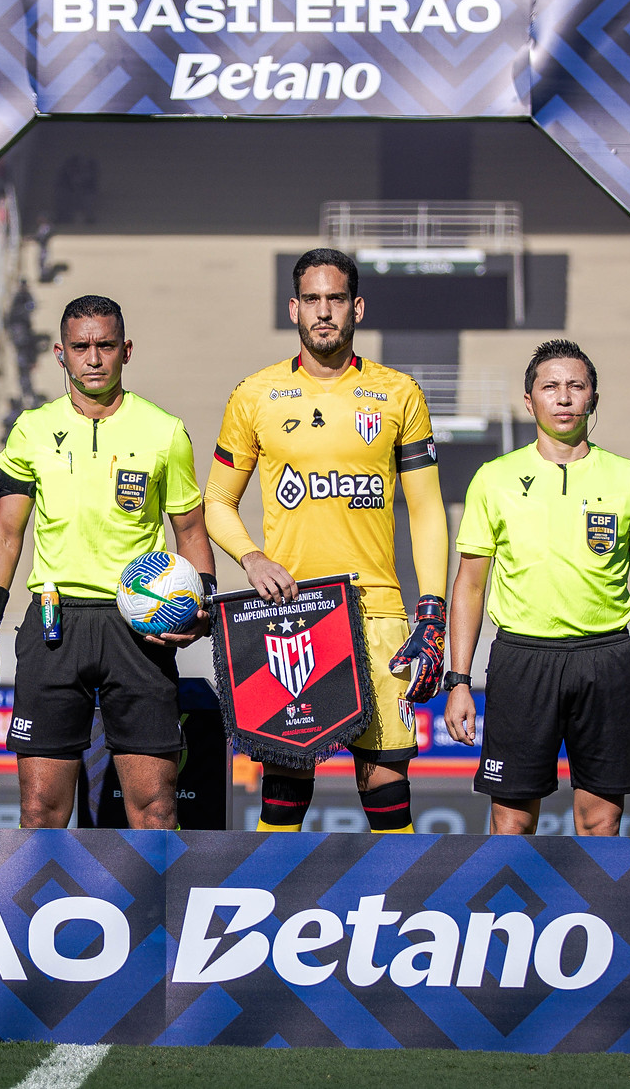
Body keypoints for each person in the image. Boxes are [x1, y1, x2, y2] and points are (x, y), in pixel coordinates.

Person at [204, 249, 451, 834]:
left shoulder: (399, 393)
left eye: (335, 299)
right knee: (285, 789)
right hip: (292, 614)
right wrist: (252, 556)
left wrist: (432, 609)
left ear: (356, 307)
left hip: (378, 611)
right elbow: (216, 500)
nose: (323, 312)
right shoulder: (255, 394)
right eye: (312, 300)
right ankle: (267, 916)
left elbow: (428, 511)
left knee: (387, 786)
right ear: (293, 308)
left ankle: (403, 924)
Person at [0, 294, 215, 829]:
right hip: (56, 623)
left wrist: (205, 608)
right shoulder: (32, 428)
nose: (94, 358)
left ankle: (152, 913)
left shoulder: (164, 430)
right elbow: (6, 534)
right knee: (39, 810)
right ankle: (44, 912)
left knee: (154, 808)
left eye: (105, 345)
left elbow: (190, 529)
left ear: (127, 350)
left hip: (140, 626)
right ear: (61, 353)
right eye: (81, 347)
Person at [443, 339, 630, 837]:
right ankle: (511, 916)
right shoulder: (495, 478)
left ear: (593, 398)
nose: (564, 397)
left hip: (605, 660)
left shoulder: (629, 478)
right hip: (521, 659)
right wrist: (459, 680)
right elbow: (469, 585)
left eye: (576, 386)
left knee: (601, 819)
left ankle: (593, 916)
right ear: (529, 401)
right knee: (510, 820)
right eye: (550, 386)